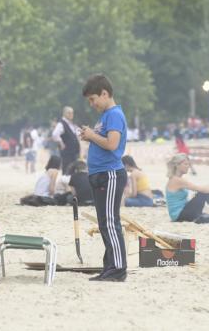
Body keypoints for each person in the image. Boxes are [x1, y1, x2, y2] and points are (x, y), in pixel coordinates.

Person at [79, 74, 128, 282]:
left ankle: (118, 268)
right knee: (104, 223)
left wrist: (91, 135)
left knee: (110, 222)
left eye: (93, 99)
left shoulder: (114, 114)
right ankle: (110, 265)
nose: (92, 104)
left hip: (110, 174)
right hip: (100, 175)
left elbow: (112, 144)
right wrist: (90, 135)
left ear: (105, 93)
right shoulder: (106, 116)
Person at [165, 154, 209, 223]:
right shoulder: (177, 180)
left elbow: (201, 187)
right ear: (177, 165)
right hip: (179, 215)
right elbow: (200, 189)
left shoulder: (177, 179)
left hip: (180, 214)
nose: (188, 167)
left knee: (203, 194)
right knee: (203, 193)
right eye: (185, 164)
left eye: (188, 164)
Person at [51, 106, 81, 174]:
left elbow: (78, 134)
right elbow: (55, 134)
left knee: (73, 172)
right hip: (67, 153)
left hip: (74, 153)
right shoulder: (61, 123)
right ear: (64, 113)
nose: (71, 115)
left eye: (72, 113)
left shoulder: (71, 124)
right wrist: (61, 143)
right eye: (69, 113)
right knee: (67, 171)